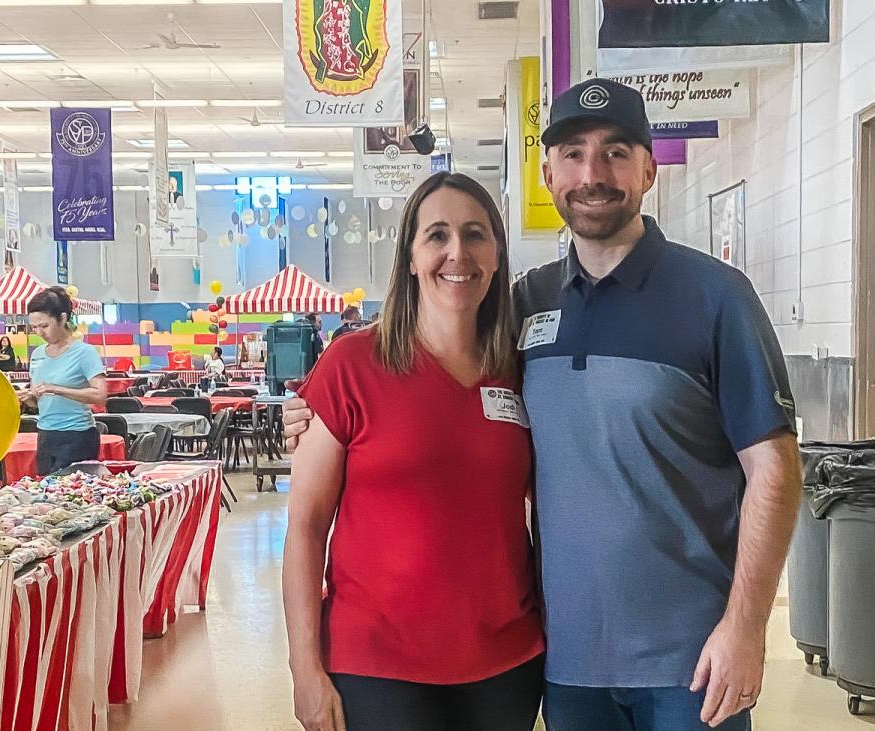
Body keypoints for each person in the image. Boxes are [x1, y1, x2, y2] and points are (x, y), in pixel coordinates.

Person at [284, 79, 800, 731]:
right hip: (566, 667)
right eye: (573, 154)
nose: (593, 174)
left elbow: (775, 469)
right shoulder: (524, 310)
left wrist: (746, 626)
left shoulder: (716, 297)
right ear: (549, 174)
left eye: (615, 153)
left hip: (690, 663)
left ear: (649, 169)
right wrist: (310, 415)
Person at [284, 172, 543, 731]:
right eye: (437, 235)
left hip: (506, 664)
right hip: (377, 667)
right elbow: (305, 528)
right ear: (409, 257)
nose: (457, 253)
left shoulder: (522, 371)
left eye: (475, 234)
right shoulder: (352, 365)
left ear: (497, 254)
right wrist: (304, 668)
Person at [19, 287, 107, 475]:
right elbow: (40, 401)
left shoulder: (85, 353)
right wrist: (28, 398)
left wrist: (56, 389)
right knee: (45, 489)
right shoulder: (37, 354)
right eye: (34, 328)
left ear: (62, 318)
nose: (39, 333)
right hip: (46, 435)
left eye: (44, 326)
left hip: (77, 436)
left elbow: (100, 395)